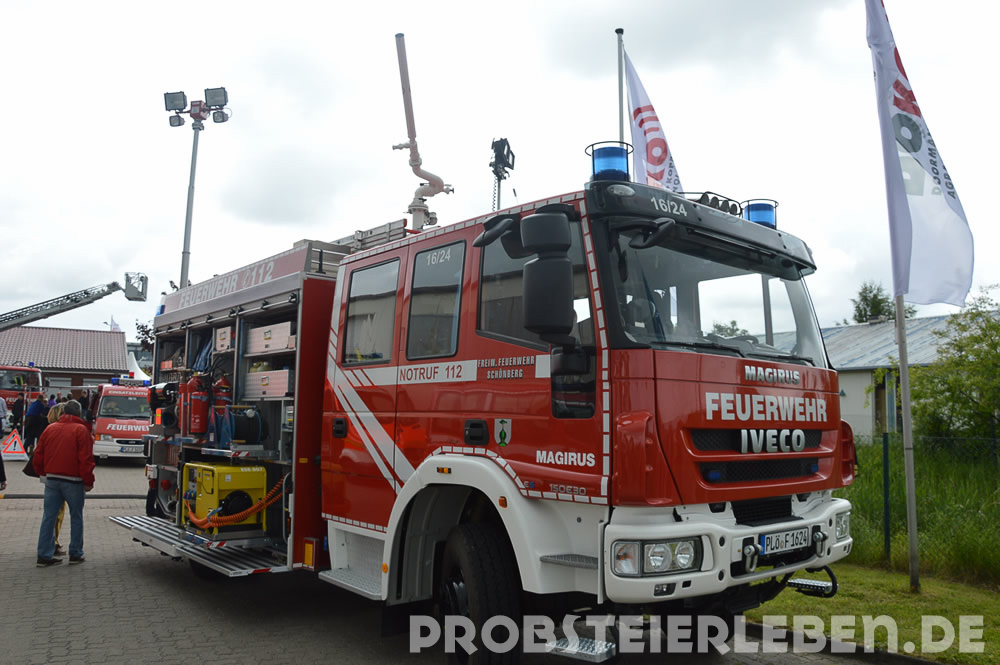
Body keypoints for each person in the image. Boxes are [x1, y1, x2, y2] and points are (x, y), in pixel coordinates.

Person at [33, 399, 94, 567]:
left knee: (49, 517)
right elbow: (86, 459)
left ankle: (44, 555)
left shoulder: (50, 429)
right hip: (74, 480)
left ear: (64, 412)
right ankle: (75, 553)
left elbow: (38, 454)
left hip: (52, 479)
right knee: (76, 516)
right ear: (79, 413)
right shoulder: (81, 430)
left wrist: (42, 473)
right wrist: (88, 480)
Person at [46, 403, 68, 556]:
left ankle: (49, 543)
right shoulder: (59, 430)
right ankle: (53, 542)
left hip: (49, 475)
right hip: (61, 475)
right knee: (57, 512)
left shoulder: (48, 430)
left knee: (51, 513)